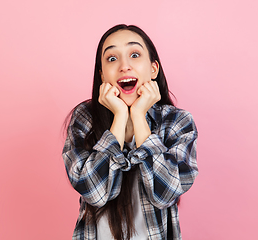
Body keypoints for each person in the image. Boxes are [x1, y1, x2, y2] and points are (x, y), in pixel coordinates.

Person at [62, 24, 198, 240]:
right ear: (102, 74)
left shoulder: (177, 122)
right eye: (112, 58)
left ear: (153, 69)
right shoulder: (84, 118)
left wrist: (138, 115)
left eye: (134, 55)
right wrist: (119, 117)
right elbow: (93, 192)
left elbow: (166, 194)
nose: (124, 66)